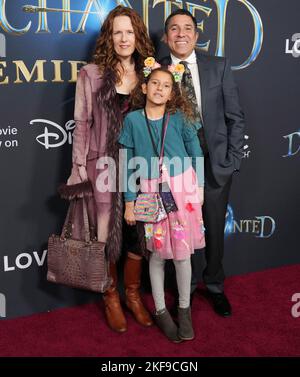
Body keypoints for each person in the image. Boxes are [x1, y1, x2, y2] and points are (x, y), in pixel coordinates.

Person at [67, 5, 154, 333]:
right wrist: (79, 167)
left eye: (129, 32)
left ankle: (133, 294)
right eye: (117, 32)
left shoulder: (150, 74)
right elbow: (82, 123)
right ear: (109, 37)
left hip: (140, 167)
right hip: (101, 164)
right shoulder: (91, 74)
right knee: (106, 234)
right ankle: (111, 294)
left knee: (139, 230)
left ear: (138, 36)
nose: (123, 38)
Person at [160, 9, 245, 316]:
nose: (180, 34)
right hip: (178, 168)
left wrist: (232, 160)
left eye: (187, 28)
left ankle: (214, 285)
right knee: (184, 228)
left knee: (213, 225)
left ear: (196, 36)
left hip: (215, 162)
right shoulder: (157, 72)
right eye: (174, 29)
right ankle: (187, 286)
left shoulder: (217, 66)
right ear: (167, 37)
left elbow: (235, 116)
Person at [119, 64, 205, 342]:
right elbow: (125, 165)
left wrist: (200, 187)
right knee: (156, 253)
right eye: (155, 83)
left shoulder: (179, 117)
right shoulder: (132, 120)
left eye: (166, 86)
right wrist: (129, 201)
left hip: (182, 190)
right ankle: (159, 310)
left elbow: (196, 153)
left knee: (182, 254)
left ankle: (184, 308)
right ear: (144, 88)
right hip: (148, 190)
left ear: (171, 93)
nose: (159, 89)